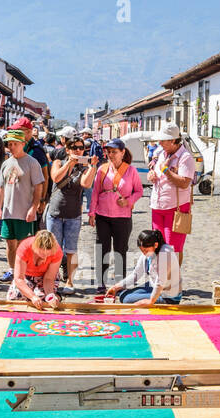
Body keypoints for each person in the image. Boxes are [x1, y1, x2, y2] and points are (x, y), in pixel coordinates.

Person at [84, 137, 143, 293]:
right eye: (109, 152)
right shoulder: (102, 169)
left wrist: (129, 201)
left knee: (120, 251)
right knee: (101, 250)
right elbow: (95, 192)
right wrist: (92, 212)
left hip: (122, 217)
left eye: (114, 152)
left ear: (122, 153)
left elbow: (139, 191)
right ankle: (101, 284)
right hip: (103, 216)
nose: (111, 155)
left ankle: (119, 284)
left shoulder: (131, 171)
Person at [0, 129, 45, 280]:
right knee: (10, 244)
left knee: (24, 246)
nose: (11, 147)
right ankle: (12, 270)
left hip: (25, 212)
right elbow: (1, 186)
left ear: (23, 144)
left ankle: (24, 272)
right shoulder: (6, 163)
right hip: (8, 212)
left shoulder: (32, 163)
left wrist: (34, 206)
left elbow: (39, 186)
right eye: (9, 144)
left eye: (14, 144)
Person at [147, 122, 196, 267]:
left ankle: (173, 282)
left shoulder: (185, 157)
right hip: (158, 206)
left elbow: (184, 182)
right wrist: (152, 175)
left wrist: (165, 171)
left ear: (173, 140)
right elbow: (157, 173)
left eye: (163, 140)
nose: (159, 143)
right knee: (158, 246)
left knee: (173, 248)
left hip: (176, 208)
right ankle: (162, 281)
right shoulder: (161, 154)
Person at [46, 130, 87, 291]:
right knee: (52, 249)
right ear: (67, 149)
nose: (78, 150)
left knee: (71, 249)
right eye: (74, 147)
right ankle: (51, 279)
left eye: (81, 148)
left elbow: (86, 184)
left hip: (73, 213)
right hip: (55, 212)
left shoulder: (84, 167)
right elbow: (55, 178)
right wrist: (69, 163)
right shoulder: (58, 162)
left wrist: (92, 167)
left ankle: (70, 281)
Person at [107, 228, 182, 304]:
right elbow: (135, 275)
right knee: (123, 294)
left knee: (126, 299)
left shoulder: (165, 253)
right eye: (142, 250)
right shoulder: (148, 253)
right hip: (154, 286)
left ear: (155, 245)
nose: (144, 253)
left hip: (168, 296)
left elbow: (160, 282)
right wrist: (115, 287)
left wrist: (150, 301)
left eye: (146, 250)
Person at [9, 229, 63, 308]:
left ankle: (56, 295)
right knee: (16, 298)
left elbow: (49, 278)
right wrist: (32, 296)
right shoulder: (25, 248)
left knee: (45, 301)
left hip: (45, 276)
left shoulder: (57, 251)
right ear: (35, 247)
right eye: (41, 253)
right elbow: (19, 278)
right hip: (26, 275)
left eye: (48, 254)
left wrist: (49, 295)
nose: (45, 257)